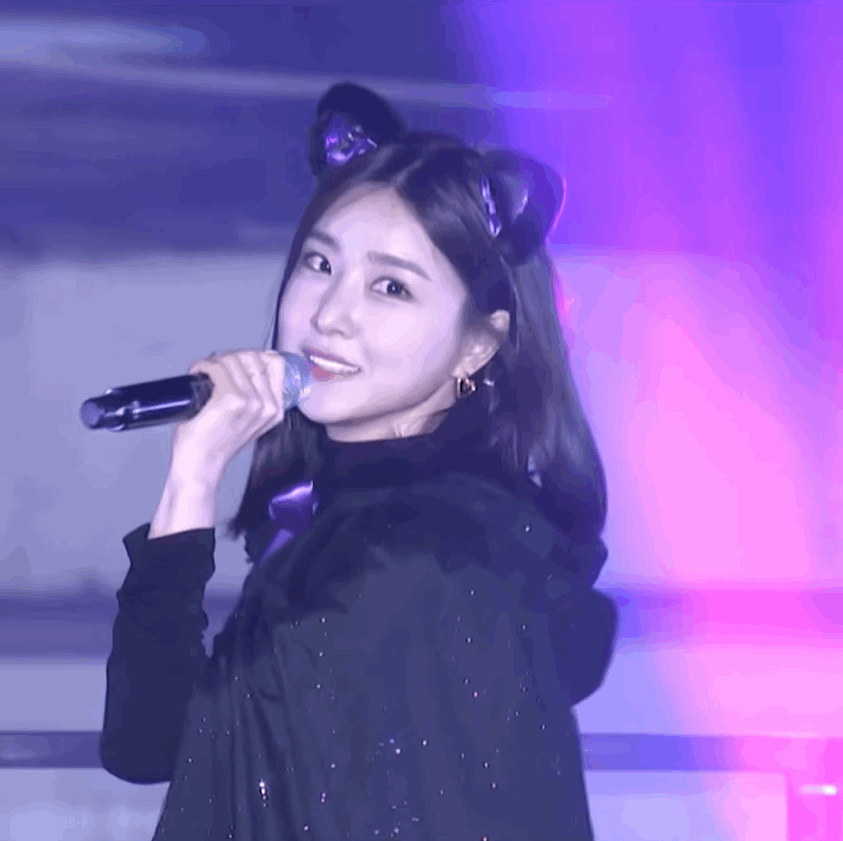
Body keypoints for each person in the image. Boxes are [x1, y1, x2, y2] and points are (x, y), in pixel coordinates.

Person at [98, 82, 618, 840]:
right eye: (319, 263)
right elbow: (154, 748)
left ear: (477, 344)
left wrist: (194, 482)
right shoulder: (389, 530)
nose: (330, 315)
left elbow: (152, 743)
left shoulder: (407, 558)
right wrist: (194, 473)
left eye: (390, 286)